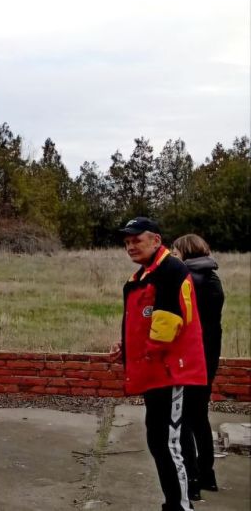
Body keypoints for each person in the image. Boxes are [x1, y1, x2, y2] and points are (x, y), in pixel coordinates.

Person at [112, 217, 207, 511]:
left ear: (155, 239)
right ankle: (173, 502)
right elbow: (140, 321)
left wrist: (144, 354)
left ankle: (181, 506)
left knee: (169, 443)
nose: (130, 247)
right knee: (158, 441)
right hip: (155, 373)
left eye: (136, 240)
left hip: (171, 372)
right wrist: (126, 347)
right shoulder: (143, 275)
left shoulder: (170, 270)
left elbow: (167, 325)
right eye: (127, 242)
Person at [172, 233, 225, 498]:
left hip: (191, 357)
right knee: (200, 417)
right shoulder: (213, 278)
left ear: (186, 252)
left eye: (176, 250)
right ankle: (207, 475)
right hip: (210, 356)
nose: (173, 254)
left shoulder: (189, 281)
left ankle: (191, 481)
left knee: (182, 421)